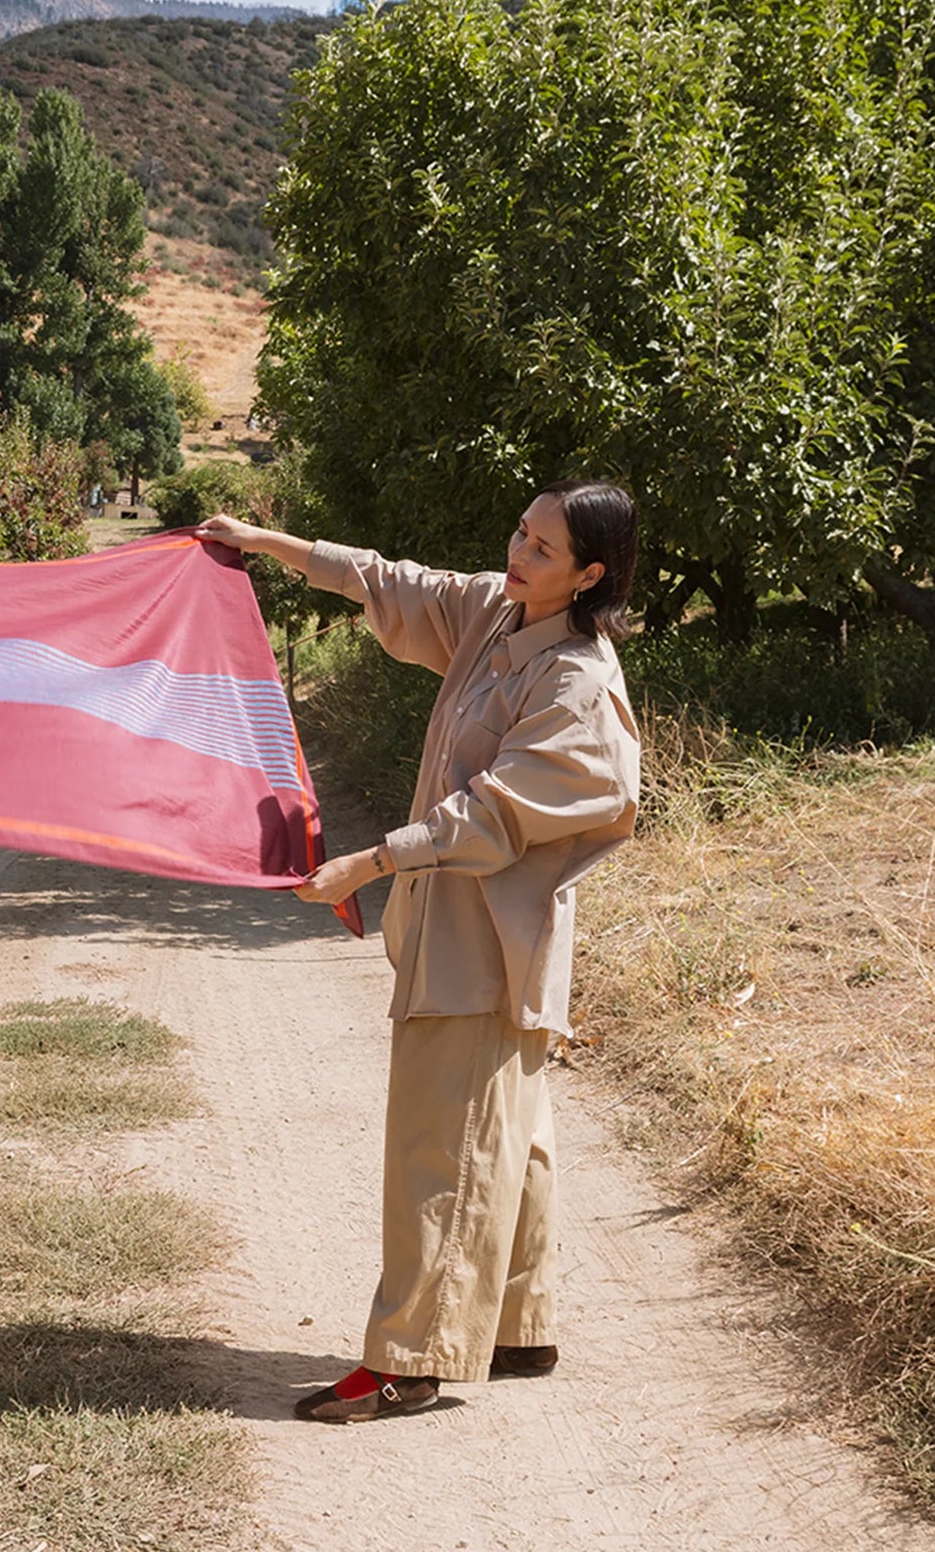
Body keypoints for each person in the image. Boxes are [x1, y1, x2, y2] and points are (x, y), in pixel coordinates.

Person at [196, 482, 641, 1423]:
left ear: (591, 574)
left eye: (545, 548)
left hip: (487, 944)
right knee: (507, 1133)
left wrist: (367, 861)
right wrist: (261, 541)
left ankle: (412, 1357)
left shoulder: (576, 684)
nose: (519, 552)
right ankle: (519, 1322)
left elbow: (496, 815)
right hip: (451, 927)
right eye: (521, 529)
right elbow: (389, 581)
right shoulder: (495, 614)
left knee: (444, 1147)